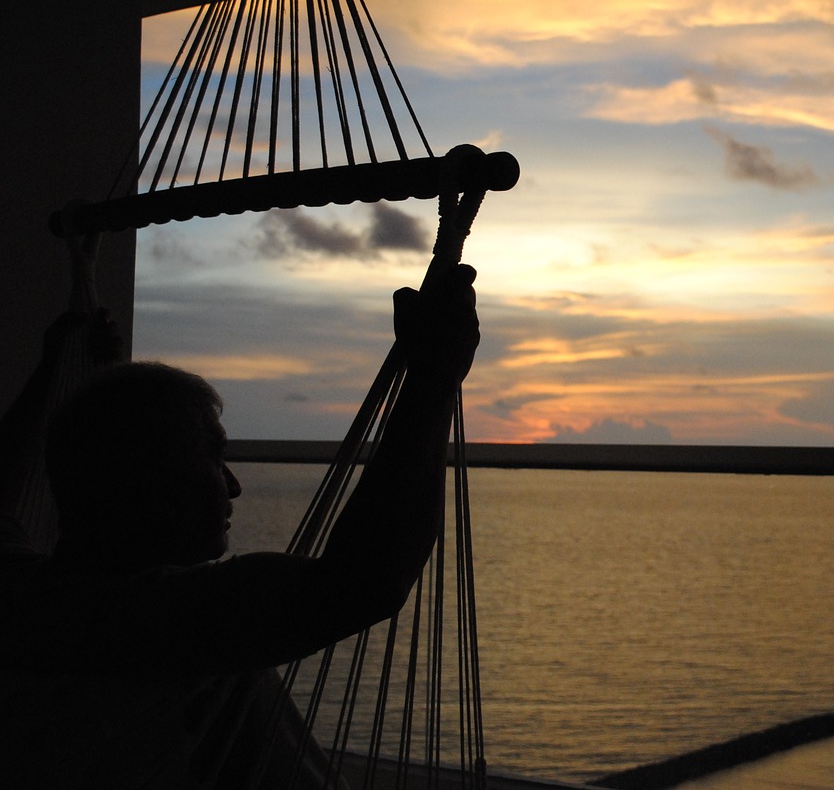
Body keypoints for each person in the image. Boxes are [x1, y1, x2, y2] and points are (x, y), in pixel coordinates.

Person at [0, 265, 480, 788]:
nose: (233, 486)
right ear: (157, 486)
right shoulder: (165, 623)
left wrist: (61, 372)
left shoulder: (20, 596)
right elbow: (365, 581)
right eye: (213, 455)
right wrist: (433, 381)